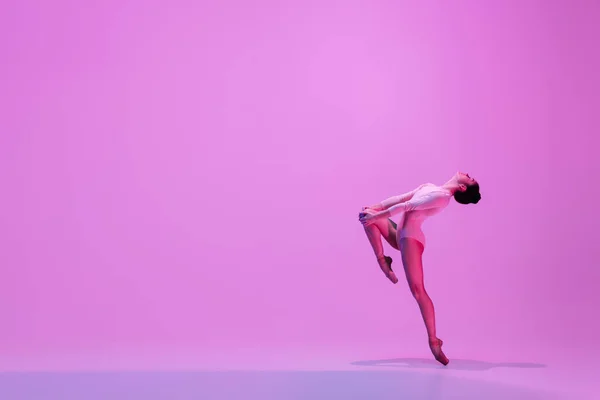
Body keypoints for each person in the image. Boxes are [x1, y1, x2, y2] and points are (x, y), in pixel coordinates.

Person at [358, 171, 481, 366]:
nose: (469, 174)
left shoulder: (443, 197)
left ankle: (434, 341)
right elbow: (400, 198)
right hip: (399, 234)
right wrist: (376, 209)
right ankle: (383, 261)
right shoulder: (430, 186)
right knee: (366, 214)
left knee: (418, 290)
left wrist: (377, 217)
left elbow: (406, 206)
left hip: (411, 240)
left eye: (471, 178)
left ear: (463, 187)